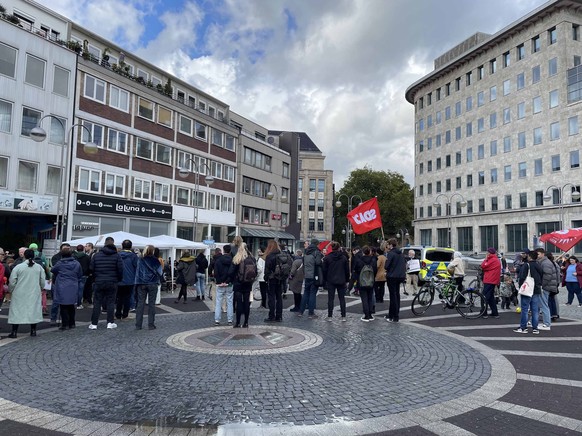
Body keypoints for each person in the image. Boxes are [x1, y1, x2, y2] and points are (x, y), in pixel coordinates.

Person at [7, 249, 45, 338]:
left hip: (19, 292)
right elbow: (42, 281)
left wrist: (11, 290)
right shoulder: (38, 267)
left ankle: (14, 332)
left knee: (16, 311)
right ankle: (33, 331)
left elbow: (12, 281)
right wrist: (40, 288)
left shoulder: (18, 267)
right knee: (33, 311)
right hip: (33, 292)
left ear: (24, 256)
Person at [89, 237, 123, 330]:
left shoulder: (96, 255)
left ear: (104, 243)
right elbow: (120, 270)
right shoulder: (117, 256)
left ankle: (94, 323)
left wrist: (95, 278)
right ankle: (110, 322)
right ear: (113, 243)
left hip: (99, 281)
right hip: (112, 281)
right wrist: (118, 279)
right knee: (111, 302)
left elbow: (91, 269)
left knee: (97, 302)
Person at [51, 246, 83, 331]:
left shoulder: (60, 263)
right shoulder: (76, 263)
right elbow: (80, 274)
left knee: (63, 306)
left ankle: (64, 324)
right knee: (71, 305)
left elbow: (53, 270)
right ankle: (72, 323)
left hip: (62, 285)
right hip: (73, 285)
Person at [513, 250, 543, 334]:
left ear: (529, 256)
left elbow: (522, 277)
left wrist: (521, 286)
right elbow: (541, 275)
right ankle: (535, 328)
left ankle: (523, 327)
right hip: (536, 289)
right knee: (535, 309)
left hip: (527, 289)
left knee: (525, 309)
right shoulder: (538, 265)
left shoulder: (527, 265)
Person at [134, 245, 162, 330]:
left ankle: (138, 325)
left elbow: (137, 272)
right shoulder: (155, 260)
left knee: (140, 304)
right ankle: (151, 324)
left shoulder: (140, 260)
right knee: (151, 304)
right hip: (152, 283)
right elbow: (160, 272)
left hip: (141, 283)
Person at [228, 242, 255, 328]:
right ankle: (246, 322)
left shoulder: (237, 258)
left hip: (238, 283)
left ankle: (238, 322)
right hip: (248, 283)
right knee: (247, 302)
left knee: (238, 303)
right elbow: (256, 272)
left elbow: (231, 272)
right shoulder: (252, 258)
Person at [323, 241, 350, 321]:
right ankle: (343, 316)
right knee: (342, 299)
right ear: (339, 248)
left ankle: (330, 316)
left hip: (331, 280)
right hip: (341, 279)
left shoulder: (327, 257)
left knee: (330, 299)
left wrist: (325, 279)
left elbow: (324, 270)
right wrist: (347, 279)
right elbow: (347, 270)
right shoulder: (344, 257)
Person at [298, 239, 324, 319]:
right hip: (314, 275)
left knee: (306, 293)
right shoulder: (316, 252)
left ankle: (301, 312)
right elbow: (318, 263)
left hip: (307, 275)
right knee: (312, 294)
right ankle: (311, 313)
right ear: (317, 244)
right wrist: (322, 260)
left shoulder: (306, 252)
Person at [384, 238, 406, 323]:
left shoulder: (391, 253)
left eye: (388, 244)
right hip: (400, 276)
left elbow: (386, 266)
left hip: (392, 276)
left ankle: (394, 316)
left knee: (393, 296)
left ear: (390, 245)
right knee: (397, 295)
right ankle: (393, 314)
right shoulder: (401, 254)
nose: (387, 246)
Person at [536, 248, 558, 330]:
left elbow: (547, 276)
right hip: (546, 286)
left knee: (544, 305)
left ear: (542, 254)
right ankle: (536, 321)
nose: (537, 256)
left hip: (545, 287)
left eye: (538, 254)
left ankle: (547, 324)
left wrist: (541, 285)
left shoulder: (546, 263)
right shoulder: (543, 262)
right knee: (539, 304)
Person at [49, 243, 71, 326]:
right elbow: (55, 269)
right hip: (57, 281)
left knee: (67, 302)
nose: (67, 250)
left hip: (68, 282)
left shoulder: (72, 258)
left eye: (68, 248)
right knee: (56, 301)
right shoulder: (56, 257)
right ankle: (53, 318)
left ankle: (65, 319)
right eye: (65, 248)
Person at [116, 239, 138, 321]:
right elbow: (137, 267)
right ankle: (125, 315)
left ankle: (118, 314)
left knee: (119, 298)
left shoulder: (117, 255)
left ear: (122, 246)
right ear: (131, 246)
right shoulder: (133, 256)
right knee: (127, 298)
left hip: (119, 279)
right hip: (130, 280)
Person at [355, 246, 378, 322]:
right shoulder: (373, 260)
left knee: (364, 298)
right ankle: (370, 314)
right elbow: (375, 270)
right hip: (371, 281)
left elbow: (356, 270)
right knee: (370, 297)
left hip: (362, 281)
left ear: (363, 252)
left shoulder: (359, 260)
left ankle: (366, 315)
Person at [263, 239, 284, 322]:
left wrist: (266, 277)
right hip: (280, 278)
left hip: (272, 279)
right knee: (279, 297)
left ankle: (271, 315)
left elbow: (267, 269)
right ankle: (279, 316)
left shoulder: (269, 256)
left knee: (271, 297)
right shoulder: (281, 255)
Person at [214, 244, 233, 325]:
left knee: (218, 302)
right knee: (230, 301)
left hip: (220, 284)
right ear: (230, 250)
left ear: (223, 250)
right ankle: (230, 320)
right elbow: (233, 272)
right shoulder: (232, 260)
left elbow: (216, 272)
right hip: (229, 283)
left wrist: (219, 281)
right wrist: (228, 281)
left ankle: (217, 320)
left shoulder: (218, 260)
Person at [480, 247, 502, 319]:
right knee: (490, 297)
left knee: (484, 296)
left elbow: (483, 266)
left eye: (487, 252)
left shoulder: (491, 260)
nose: (486, 254)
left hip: (489, 280)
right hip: (493, 280)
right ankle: (495, 313)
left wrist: (486, 259)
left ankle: (484, 312)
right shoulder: (496, 259)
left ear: (489, 253)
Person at [73, 244, 90, 309]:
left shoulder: (73, 256)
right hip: (83, 274)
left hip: (74, 275)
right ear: (83, 249)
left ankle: (74, 301)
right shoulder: (87, 257)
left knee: (74, 289)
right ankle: (79, 303)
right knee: (80, 290)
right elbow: (89, 266)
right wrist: (88, 273)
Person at [546, 252, 560, 321]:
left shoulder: (549, 265)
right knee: (552, 300)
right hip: (554, 284)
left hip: (550, 284)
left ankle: (551, 314)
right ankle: (554, 314)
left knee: (549, 300)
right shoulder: (555, 264)